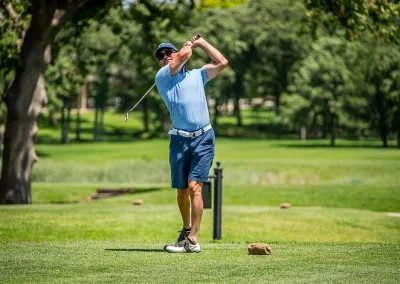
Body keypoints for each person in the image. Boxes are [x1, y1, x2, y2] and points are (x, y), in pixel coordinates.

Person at [154, 35, 228, 253]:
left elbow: (222, 63)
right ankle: (186, 229)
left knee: (195, 186)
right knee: (181, 191)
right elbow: (185, 54)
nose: (165, 56)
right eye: (161, 56)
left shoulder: (198, 75)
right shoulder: (162, 77)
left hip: (204, 138)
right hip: (179, 140)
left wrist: (202, 42)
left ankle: (193, 239)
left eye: (169, 52)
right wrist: (187, 46)